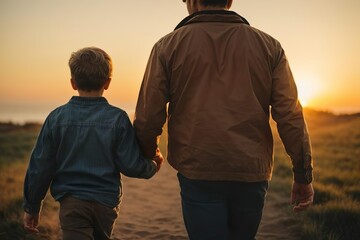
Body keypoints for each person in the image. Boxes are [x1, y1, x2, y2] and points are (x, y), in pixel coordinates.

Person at [133, 0, 314, 239]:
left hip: (198, 169)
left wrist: (150, 153)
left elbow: (148, 116)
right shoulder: (270, 47)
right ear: (229, 1)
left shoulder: (167, 46)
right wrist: (302, 175)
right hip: (251, 170)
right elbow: (290, 116)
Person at [23, 47, 163, 240]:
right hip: (106, 202)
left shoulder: (56, 118)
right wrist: (152, 166)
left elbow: (40, 167)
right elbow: (130, 165)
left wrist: (32, 206)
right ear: (108, 83)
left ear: (73, 83)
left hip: (71, 203)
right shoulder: (118, 119)